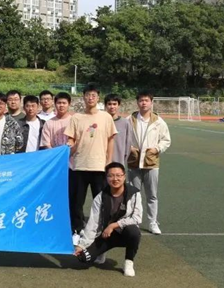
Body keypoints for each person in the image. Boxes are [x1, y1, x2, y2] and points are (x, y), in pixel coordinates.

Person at [65, 84, 117, 244]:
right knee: (76, 202)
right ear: (83, 97)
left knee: (100, 201)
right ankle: (76, 230)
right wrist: (69, 145)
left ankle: (99, 229)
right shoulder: (76, 117)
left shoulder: (106, 117)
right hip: (79, 166)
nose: (90, 98)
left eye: (93, 95)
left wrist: (109, 161)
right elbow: (71, 139)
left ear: (98, 97)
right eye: (87, 95)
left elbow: (111, 140)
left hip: (99, 166)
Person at [74, 162, 142, 277]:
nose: (115, 179)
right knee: (83, 258)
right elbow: (93, 223)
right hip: (106, 235)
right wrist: (82, 245)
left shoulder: (134, 194)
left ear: (124, 176)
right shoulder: (100, 197)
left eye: (118, 175)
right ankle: (101, 252)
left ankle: (129, 262)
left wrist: (114, 225)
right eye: (111, 176)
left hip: (124, 233)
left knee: (134, 232)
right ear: (106, 178)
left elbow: (137, 218)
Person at [127, 91, 171, 235]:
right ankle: (134, 221)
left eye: (146, 100)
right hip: (134, 162)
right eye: (141, 100)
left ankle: (152, 222)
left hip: (151, 163)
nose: (144, 103)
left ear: (151, 102)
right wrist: (129, 148)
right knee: (133, 194)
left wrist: (157, 148)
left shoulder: (158, 121)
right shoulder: (130, 120)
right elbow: (123, 137)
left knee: (152, 195)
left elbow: (166, 140)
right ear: (137, 102)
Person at [105, 94, 132, 166]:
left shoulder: (125, 123)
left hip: (119, 162)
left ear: (118, 105)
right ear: (105, 106)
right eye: (109, 104)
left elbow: (128, 144)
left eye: (114, 104)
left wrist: (123, 160)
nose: (112, 107)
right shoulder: (101, 122)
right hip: (102, 162)